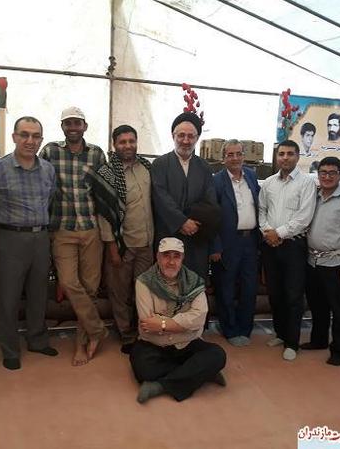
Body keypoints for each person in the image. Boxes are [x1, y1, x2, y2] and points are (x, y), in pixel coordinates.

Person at [0, 116, 58, 370]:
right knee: (8, 297)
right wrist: (6, 227)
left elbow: (50, 200)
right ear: (14, 137)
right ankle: (10, 349)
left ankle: (37, 340)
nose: (30, 141)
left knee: (39, 293)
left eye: (36, 136)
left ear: (41, 140)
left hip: (40, 238)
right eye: (24, 135)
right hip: (9, 239)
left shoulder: (48, 169)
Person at [39, 106, 108, 366]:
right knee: (68, 283)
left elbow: (105, 192)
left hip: (91, 229)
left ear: (85, 126)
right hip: (62, 228)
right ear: (62, 127)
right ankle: (97, 329)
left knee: (90, 288)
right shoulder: (50, 151)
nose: (73, 128)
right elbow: (41, 186)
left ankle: (82, 342)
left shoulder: (97, 153)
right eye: (68, 123)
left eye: (77, 123)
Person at [130, 237, 227, 403]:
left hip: (187, 343)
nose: (171, 262)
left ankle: (160, 386)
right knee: (143, 369)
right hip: (155, 344)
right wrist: (185, 324)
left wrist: (162, 324)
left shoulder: (194, 282)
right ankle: (200, 374)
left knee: (218, 355)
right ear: (157, 257)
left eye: (176, 256)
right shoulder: (144, 282)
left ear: (182, 258)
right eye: (166, 255)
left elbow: (199, 318)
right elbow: (147, 323)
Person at [93, 124, 154, 354]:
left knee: (144, 292)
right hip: (122, 246)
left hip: (146, 245)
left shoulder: (147, 168)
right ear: (114, 145)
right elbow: (105, 215)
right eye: (122, 142)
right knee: (119, 293)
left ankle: (143, 332)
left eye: (131, 141)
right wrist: (112, 249)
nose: (128, 145)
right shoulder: (107, 174)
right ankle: (126, 335)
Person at [259, 140, 316, 360]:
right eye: (281, 154)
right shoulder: (269, 183)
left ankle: (292, 342)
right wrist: (268, 232)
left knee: (293, 295)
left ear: (297, 156)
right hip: (270, 245)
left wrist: (279, 233)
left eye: (290, 153)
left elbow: (304, 217)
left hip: (294, 246)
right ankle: (280, 334)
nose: (285, 157)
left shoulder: (306, 183)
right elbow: (262, 210)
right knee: (275, 293)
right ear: (277, 157)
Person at [304, 157, 340, 366]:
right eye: (323, 172)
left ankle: (339, 350)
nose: (327, 177)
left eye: (332, 173)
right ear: (318, 175)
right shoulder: (313, 197)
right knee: (317, 305)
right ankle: (318, 340)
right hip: (313, 262)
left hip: (337, 263)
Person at [151, 112, 218, 281]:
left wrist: (194, 224)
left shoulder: (204, 167)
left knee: (195, 281)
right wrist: (181, 222)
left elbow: (210, 200)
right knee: (169, 282)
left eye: (191, 136)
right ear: (173, 136)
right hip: (168, 232)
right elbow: (160, 197)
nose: (186, 141)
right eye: (181, 135)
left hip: (197, 235)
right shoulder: (160, 164)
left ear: (197, 138)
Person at [210, 140, 260, 346]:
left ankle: (245, 329)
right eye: (230, 155)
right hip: (227, 243)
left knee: (249, 288)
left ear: (243, 156)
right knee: (226, 289)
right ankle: (230, 330)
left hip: (251, 242)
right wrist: (215, 246)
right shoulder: (216, 181)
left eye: (238, 154)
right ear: (223, 158)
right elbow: (211, 217)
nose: (235, 158)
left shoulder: (251, 176)